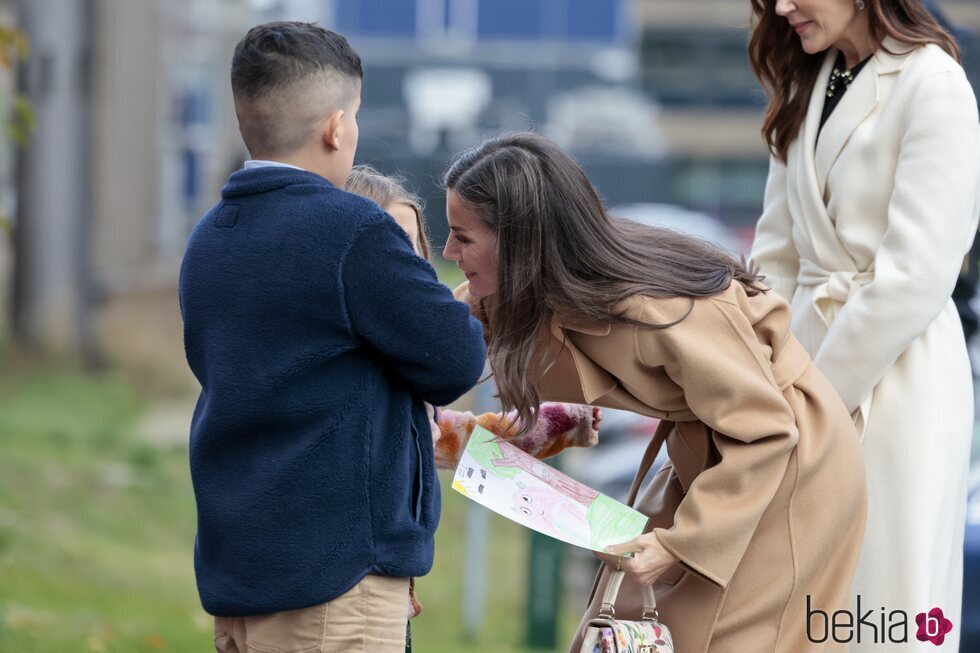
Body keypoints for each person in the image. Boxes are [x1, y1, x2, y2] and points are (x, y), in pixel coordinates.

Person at [442, 132, 868, 652]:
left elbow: (767, 431)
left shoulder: (657, 310)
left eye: (462, 238)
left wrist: (681, 546)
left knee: (726, 636)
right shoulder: (532, 287)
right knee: (633, 624)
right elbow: (442, 322)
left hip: (785, 464)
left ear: (520, 241)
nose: (449, 252)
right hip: (713, 453)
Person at [178, 22, 487, 653]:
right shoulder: (351, 230)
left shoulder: (210, 236)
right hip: (333, 586)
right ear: (336, 127)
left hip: (243, 574)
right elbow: (455, 359)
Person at [747, 1, 980, 647]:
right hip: (800, 377)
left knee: (883, 605)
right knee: (802, 605)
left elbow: (915, 277)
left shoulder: (934, 83)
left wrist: (810, 403)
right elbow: (771, 262)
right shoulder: (806, 82)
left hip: (898, 379)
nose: (783, 7)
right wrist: (756, 389)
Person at [341, 164, 602, 631]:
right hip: (349, 590)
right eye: (392, 248)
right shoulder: (351, 373)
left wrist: (555, 423)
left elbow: (450, 440)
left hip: (385, 592)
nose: (414, 263)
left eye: (416, 250)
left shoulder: (392, 369)